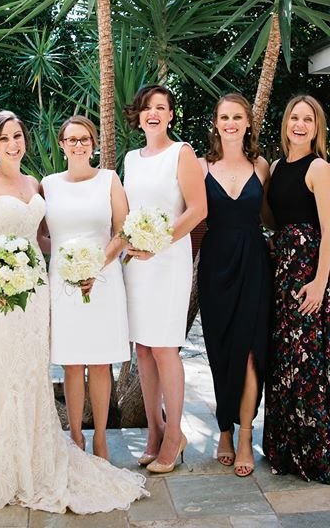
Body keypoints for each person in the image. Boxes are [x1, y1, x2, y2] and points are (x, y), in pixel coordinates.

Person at [0, 111, 147, 515]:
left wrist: (82, 261)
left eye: (18, 136)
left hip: (38, 291)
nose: (13, 143)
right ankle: (5, 460)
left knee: (33, 372)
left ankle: (41, 452)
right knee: (5, 371)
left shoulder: (33, 184)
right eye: (5, 138)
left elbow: (45, 234)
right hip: (1, 296)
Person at [121, 85, 207, 474]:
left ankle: (175, 434)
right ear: (138, 115)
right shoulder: (130, 159)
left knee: (164, 349)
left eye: (161, 108)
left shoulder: (181, 153)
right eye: (147, 108)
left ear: (171, 115)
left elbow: (197, 209)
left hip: (168, 260)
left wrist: (158, 243)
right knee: (142, 349)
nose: (153, 113)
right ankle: (154, 432)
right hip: (137, 263)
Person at [262, 95, 330, 484]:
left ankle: (314, 454)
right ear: (286, 123)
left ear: (317, 127)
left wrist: (320, 283)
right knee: (283, 360)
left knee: (307, 361)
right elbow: (269, 217)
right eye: (294, 117)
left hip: (309, 273)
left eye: (307, 119)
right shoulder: (277, 166)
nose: (299, 124)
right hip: (281, 272)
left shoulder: (319, 168)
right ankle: (284, 449)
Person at [42, 115, 130, 461]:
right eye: (72, 139)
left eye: (85, 139)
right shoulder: (47, 185)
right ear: (61, 145)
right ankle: (76, 437)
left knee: (101, 362)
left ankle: (101, 439)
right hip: (63, 283)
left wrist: (93, 264)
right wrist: (68, 262)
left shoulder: (109, 180)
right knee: (72, 363)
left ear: (93, 145)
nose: (78, 145)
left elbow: (122, 231)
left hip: (104, 280)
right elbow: (41, 236)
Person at [197, 93, 270, 478]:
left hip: (255, 264)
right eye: (224, 116)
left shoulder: (262, 165)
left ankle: (244, 436)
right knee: (220, 352)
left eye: (237, 116)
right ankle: (223, 429)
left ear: (247, 122)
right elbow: (190, 215)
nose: (230, 123)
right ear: (216, 122)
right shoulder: (200, 165)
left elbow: (273, 214)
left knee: (249, 352)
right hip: (215, 265)